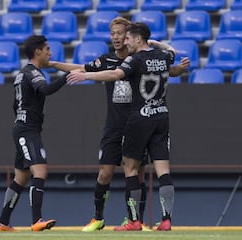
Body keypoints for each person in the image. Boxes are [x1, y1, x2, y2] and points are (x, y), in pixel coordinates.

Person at [49, 18, 189, 231]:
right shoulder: (136, 58)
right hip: (143, 120)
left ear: (131, 38)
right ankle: (102, 217)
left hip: (137, 121)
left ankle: (135, 220)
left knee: (133, 171)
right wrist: (56, 65)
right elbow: (169, 58)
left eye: (123, 35)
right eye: (113, 34)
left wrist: (86, 76)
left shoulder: (135, 60)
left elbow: (119, 74)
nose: (118, 38)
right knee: (110, 172)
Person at [0, 35, 69, 232]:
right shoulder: (33, 73)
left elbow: (15, 104)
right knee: (40, 170)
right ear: (37, 52)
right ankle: (37, 220)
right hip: (27, 130)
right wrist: (66, 78)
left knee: (21, 177)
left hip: (22, 127)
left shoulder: (21, 73)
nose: (50, 53)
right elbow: (44, 89)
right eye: (47, 49)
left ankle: (2, 223)